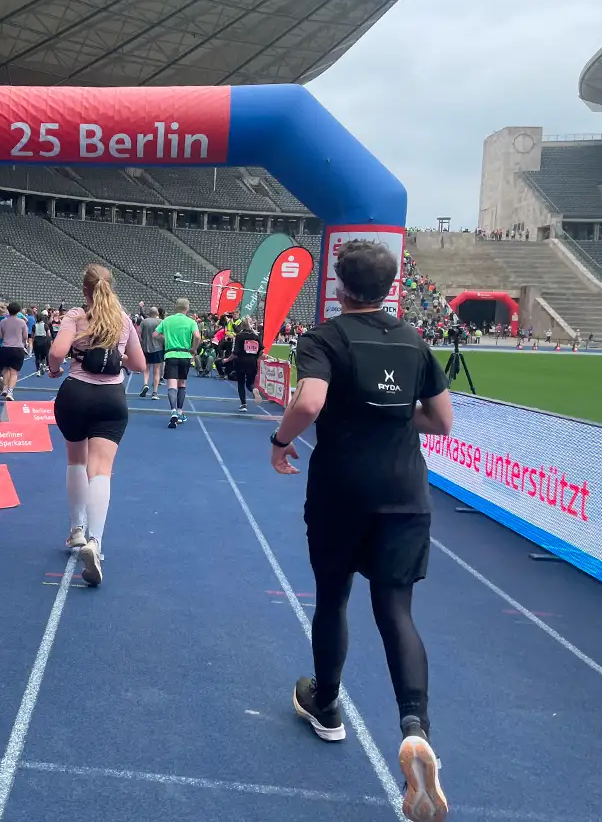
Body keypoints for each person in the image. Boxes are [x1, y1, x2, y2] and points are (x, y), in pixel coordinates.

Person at [268, 240, 453, 822]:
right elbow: (442, 421)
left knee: (332, 598)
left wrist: (279, 441)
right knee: (397, 610)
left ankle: (326, 706)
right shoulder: (414, 341)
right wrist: (394, 416)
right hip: (404, 495)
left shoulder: (325, 337)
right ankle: (415, 727)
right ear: (391, 287)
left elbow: (310, 399)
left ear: (338, 287)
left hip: (342, 492)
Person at [47, 265, 146, 586]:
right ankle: (96, 542)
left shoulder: (76, 315)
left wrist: (54, 368)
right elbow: (140, 365)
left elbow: (57, 352)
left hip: (75, 393)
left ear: (85, 289)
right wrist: (117, 354)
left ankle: (76, 530)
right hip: (111, 398)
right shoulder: (123, 319)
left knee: (76, 460)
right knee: (101, 469)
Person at [153, 298, 200, 428]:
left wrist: (166, 338)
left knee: (171, 385)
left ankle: (173, 411)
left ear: (175, 307)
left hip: (170, 354)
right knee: (182, 384)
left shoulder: (167, 320)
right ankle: (180, 411)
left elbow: (155, 334)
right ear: (187, 308)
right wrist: (194, 349)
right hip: (185, 354)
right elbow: (197, 336)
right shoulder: (191, 322)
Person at [0, 303, 29, 400]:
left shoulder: (3, 322)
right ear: (18, 311)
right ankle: (10, 392)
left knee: (5, 370)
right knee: (14, 372)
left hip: (5, 348)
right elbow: (26, 337)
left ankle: (5, 389)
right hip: (18, 349)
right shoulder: (22, 322)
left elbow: (0, 336)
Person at [231, 317, 262, 412]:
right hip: (252, 362)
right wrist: (256, 357)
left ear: (242, 325)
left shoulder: (239, 336)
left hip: (241, 362)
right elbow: (261, 350)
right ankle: (253, 390)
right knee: (250, 383)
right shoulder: (256, 336)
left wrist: (227, 359)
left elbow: (235, 351)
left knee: (241, 383)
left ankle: (243, 404)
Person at [137, 306, 164, 400]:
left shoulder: (144, 322)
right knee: (156, 371)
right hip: (158, 349)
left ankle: (145, 384)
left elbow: (139, 334)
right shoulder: (161, 322)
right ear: (157, 313)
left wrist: (142, 342)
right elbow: (164, 336)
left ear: (149, 313)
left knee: (146, 369)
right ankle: (155, 392)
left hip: (146, 348)